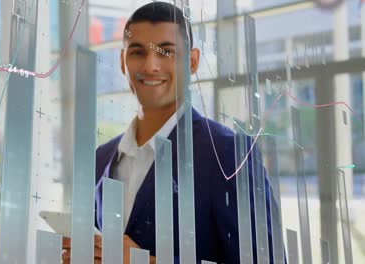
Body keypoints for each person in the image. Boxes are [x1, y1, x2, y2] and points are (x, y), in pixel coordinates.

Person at [63, 2, 276, 263]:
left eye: (166, 52)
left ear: (193, 61)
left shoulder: (230, 155)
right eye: (138, 52)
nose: (151, 65)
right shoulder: (101, 159)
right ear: (122, 61)